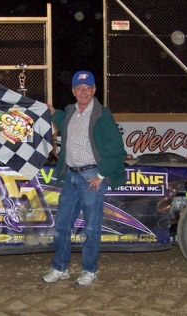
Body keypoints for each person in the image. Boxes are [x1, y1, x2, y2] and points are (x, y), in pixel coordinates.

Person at [42, 70, 127, 286]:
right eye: (79, 88)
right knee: (62, 226)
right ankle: (60, 267)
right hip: (70, 176)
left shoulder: (102, 115)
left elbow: (117, 150)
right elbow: (60, 118)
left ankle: (89, 270)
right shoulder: (70, 113)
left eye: (87, 87)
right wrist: (51, 111)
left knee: (91, 228)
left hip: (91, 176)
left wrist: (101, 175)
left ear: (94, 90)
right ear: (73, 91)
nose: (83, 91)